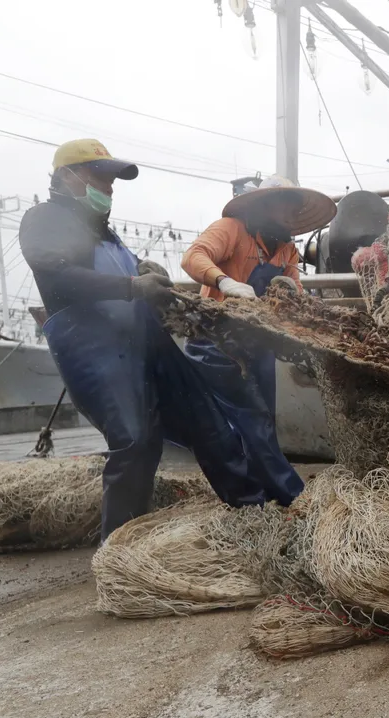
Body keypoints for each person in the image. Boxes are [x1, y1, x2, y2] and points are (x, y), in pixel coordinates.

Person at [19, 138, 266, 539]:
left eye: (112, 180)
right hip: (93, 345)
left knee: (211, 425)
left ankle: (257, 520)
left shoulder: (101, 230)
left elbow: (123, 279)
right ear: (66, 176)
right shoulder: (44, 218)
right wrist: (133, 284)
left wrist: (142, 270)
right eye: (99, 176)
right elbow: (57, 275)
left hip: (144, 339)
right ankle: (119, 549)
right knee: (135, 442)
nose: (109, 187)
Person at [181, 175, 336, 506]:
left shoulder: (287, 250)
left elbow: (295, 290)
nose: (291, 219)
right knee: (251, 416)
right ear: (264, 207)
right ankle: (291, 496)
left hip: (258, 342)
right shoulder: (231, 229)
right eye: (286, 209)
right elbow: (194, 256)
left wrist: (295, 299)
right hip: (216, 340)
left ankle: (255, 494)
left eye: (296, 212)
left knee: (263, 416)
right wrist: (223, 282)